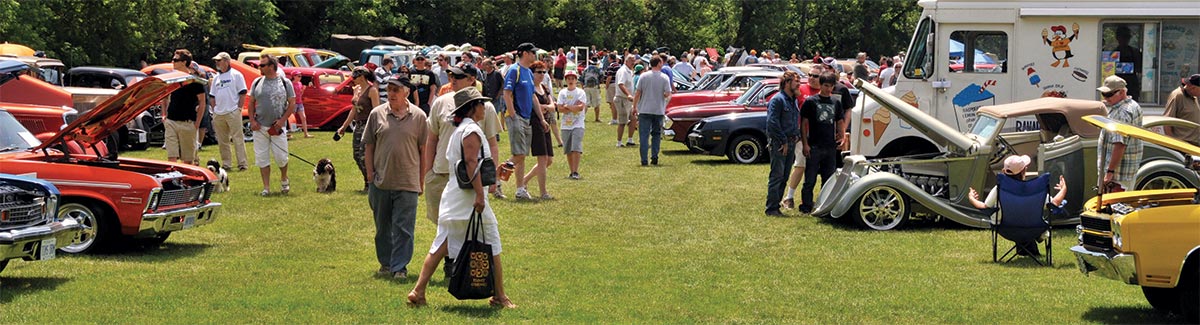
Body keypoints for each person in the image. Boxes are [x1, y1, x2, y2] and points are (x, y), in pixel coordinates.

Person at [407, 87, 515, 309]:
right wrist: (479, 194)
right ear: (473, 107)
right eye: (480, 103)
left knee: (441, 244)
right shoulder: (471, 131)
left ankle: (418, 291)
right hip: (468, 199)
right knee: (492, 243)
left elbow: (470, 165)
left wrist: (494, 172)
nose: (484, 107)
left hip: (456, 197)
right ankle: (500, 297)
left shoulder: (462, 129)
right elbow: (470, 163)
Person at [363, 77, 427, 280]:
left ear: (406, 92)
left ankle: (400, 267)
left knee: (404, 228)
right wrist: (370, 175)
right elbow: (369, 146)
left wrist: (421, 179)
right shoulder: (376, 114)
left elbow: (423, 150)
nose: (391, 93)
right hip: (381, 180)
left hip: (408, 180)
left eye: (396, 90)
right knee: (382, 227)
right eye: (389, 89)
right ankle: (386, 262)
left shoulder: (419, 116)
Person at [968, 155, 1067, 255]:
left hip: (1005, 228)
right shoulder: (1034, 190)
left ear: (1003, 171)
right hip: (1034, 228)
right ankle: (1038, 237)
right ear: (1024, 171)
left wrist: (972, 199)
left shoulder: (999, 188)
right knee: (1028, 215)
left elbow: (985, 207)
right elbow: (1054, 203)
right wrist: (1063, 190)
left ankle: (1029, 246)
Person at [247, 54, 297, 196]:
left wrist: (282, 121)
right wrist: (252, 121)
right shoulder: (257, 82)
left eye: (262, 65)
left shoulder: (285, 82)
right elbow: (251, 102)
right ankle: (266, 187)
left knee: (281, 157)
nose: (259, 67)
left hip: (277, 127)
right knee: (262, 158)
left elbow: (292, 103)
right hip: (260, 127)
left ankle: (284, 178)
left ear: (271, 66)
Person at [798, 71, 844, 214]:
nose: (828, 89)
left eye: (831, 86)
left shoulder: (836, 102)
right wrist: (805, 144)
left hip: (830, 147)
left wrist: (842, 137)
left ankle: (824, 205)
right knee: (809, 179)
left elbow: (840, 121)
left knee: (828, 179)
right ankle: (806, 206)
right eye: (826, 85)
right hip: (814, 146)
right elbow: (803, 124)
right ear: (820, 85)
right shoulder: (811, 102)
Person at [780, 65, 821, 210]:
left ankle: (812, 200)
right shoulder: (801, 90)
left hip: (819, 136)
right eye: (809, 74)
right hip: (801, 135)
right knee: (800, 164)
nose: (811, 78)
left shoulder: (825, 92)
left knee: (815, 169)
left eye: (815, 76)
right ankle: (788, 197)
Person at [763, 71, 803, 216]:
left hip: (791, 142)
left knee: (785, 176)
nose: (799, 84)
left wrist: (797, 135)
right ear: (787, 83)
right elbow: (772, 122)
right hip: (780, 144)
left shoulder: (793, 100)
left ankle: (776, 206)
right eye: (796, 81)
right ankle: (771, 208)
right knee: (777, 176)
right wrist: (783, 141)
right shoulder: (777, 100)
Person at [503, 43, 539, 201]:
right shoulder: (514, 70)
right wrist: (512, 114)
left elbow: (532, 96)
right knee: (519, 154)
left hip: (526, 117)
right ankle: (496, 179)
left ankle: (520, 189)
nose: (534, 55)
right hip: (516, 116)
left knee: (522, 155)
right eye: (532, 52)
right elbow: (507, 93)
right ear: (524, 53)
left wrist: (541, 118)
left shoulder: (529, 73)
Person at [1097, 75, 1143, 192]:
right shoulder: (1133, 105)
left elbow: (1120, 144)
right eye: (1104, 94)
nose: (1106, 98)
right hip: (1124, 171)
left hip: (1118, 175)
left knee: (1113, 207)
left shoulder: (1122, 112)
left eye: (1109, 95)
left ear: (1122, 92)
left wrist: (1110, 172)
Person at [337, 67, 381, 191]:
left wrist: (375, 128)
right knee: (356, 155)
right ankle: (367, 181)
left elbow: (376, 110)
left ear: (362, 77)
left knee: (364, 154)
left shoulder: (372, 90)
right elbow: (354, 109)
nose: (353, 79)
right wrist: (344, 126)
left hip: (368, 124)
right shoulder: (357, 89)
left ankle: (372, 182)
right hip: (359, 125)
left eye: (355, 77)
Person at [162, 49, 207, 165]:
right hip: (171, 121)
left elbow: (202, 102)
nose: (173, 62)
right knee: (171, 157)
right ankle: (173, 180)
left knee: (187, 160)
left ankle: (185, 181)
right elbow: (164, 96)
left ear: (184, 62)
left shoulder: (195, 81)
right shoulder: (171, 79)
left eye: (175, 60)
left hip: (188, 123)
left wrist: (197, 123)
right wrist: (163, 115)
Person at [207, 52, 248, 171]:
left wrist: (239, 108)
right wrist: (214, 109)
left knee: (238, 138)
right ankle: (226, 164)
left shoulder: (236, 75)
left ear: (226, 61)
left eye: (219, 61)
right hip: (219, 113)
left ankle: (242, 164)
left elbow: (242, 93)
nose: (217, 63)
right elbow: (212, 95)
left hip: (232, 111)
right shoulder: (216, 78)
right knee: (222, 140)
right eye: (216, 61)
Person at [521, 61, 556, 199]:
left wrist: (545, 107)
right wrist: (545, 107)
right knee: (542, 158)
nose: (542, 75)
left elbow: (553, 105)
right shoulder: (530, 89)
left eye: (544, 72)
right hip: (535, 123)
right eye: (539, 72)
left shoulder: (545, 88)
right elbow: (533, 107)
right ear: (532, 73)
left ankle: (524, 180)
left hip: (546, 122)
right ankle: (543, 192)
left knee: (549, 160)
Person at [632, 56, 672, 166]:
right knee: (656, 134)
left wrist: (634, 107)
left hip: (644, 109)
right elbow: (668, 94)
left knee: (644, 135)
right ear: (659, 63)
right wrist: (665, 101)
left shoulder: (643, 76)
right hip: (658, 110)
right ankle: (655, 156)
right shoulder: (664, 78)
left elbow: (637, 93)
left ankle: (644, 160)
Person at [558, 70, 587, 179]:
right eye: (568, 79)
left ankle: (575, 171)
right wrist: (572, 107)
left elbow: (580, 107)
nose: (571, 81)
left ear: (576, 80)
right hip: (566, 124)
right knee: (568, 148)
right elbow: (560, 109)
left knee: (576, 147)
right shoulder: (562, 92)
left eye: (573, 79)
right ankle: (571, 171)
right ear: (566, 80)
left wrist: (567, 106)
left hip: (578, 124)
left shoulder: (580, 92)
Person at [1163, 74, 1200, 146]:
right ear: (1193, 88)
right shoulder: (1177, 95)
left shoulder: (1194, 96)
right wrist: (1174, 145)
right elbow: (1166, 122)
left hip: (1195, 144)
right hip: (1183, 145)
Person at [1110, 26, 1143, 101]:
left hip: (1132, 85)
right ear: (1117, 37)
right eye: (1123, 36)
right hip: (1117, 85)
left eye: (1127, 37)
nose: (1125, 39)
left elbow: (1140, 69)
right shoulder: (1113, 54)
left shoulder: (1135, 52)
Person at [614, 54, 638, 147]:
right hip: (622, 99)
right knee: (622, 121)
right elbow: (621, 84)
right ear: (626, 61)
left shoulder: (629, 71)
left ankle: (630, 140)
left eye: (634, 60)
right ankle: (619, 142)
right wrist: (628, 94)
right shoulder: (623, 71)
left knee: (633, 118)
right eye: (631, 60)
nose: (633, 62)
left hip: (628, 100)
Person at [289, 71, 312, 138]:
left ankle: (306, 133)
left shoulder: (300, 84)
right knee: (292, 119)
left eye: (300, 76)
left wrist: (303, 89)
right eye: (298, 76)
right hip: (293, 103)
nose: (300, 77)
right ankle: (291, 133)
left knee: (303, 117)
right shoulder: (291, 84)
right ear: (294, 76)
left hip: (299, 102)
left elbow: (300, 94)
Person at [605, 54, 622, 125]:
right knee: (617, 102)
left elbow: (609, 77)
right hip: (618, 85)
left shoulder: (611, 66)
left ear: (610, 58)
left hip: (612, 85)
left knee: (612, 103)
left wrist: (606, 85)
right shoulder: (619, 66)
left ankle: (614, 119)